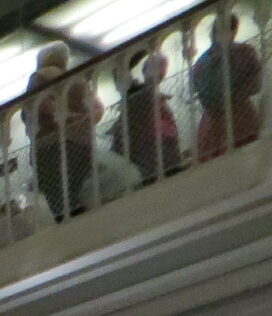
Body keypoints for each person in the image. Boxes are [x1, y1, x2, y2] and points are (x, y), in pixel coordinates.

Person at [28, 42, 101, 222]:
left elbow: (39, 105)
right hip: (83, 143)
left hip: (52, 143)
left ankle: (71, 222)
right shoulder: (79, 79)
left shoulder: (40, 77)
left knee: (56, 192)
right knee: (73, 187)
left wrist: (65, 118)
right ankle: (82, 218)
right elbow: (97, 108)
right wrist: (82, 120)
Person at [192, 14, 264, 163]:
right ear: (234, 31)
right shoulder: (244, 52)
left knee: (216, 164)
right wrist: (236, 94)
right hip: (241, 117)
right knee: (248, 159)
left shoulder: (201, 62)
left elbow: (196, 90)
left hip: (212, 123)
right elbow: (256, 85)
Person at [116, 51, 184, 185]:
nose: (160, 73)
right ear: (144, 69)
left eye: (162, 69)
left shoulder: (157, 99)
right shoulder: (139, 95)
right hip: (148, 154)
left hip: (163, 153)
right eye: (155, 67)